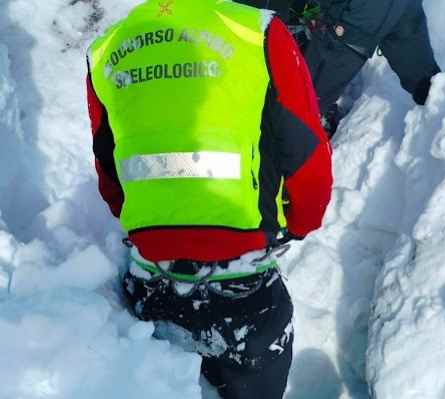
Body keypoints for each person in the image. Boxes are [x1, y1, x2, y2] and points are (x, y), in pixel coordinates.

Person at [85, 0, 333, 398]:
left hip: (150, 282)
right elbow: (305, 149)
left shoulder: (105, 47)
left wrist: (156, 221)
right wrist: (301, 221)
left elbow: (108, 164)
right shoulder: (258, 31)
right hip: (243, 291)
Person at [303, 0, 441, 133]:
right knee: (429, 86)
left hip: (356, 18)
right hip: (403, 8)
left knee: (304, 100)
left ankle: (302, 130)